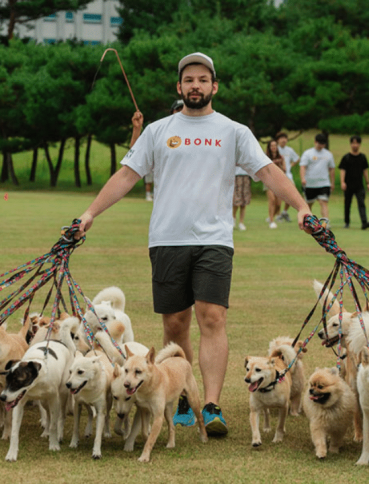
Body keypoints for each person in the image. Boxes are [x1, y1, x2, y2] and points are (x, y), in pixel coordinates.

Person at [75, 52, 311, 436]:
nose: (196, 86)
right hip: (167, 239)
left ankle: (213, 404)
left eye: (203, 79)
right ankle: (184, 394)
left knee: (213, 317)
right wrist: (89, 214)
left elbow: (268, 171)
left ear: (214, 86)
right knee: (175, 322)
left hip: (214, 240)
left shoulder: (233, 131)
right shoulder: (157, 130)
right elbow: (126, 175)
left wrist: (300, 206)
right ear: (179, 87)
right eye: (189, 80)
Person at [137, 100, 184, 202]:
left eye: (183, 109)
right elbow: (135, 154)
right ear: (172, 112)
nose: (181, 112)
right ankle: (149, 195)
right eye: (178, 109)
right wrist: (136, 129)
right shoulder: (160, 130)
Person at [299, 133, 335, 228]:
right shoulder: (308, 153)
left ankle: (325, 223)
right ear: (315, 142)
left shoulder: (328, 154)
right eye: (319, 143)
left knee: (323, 202)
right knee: (309, 204)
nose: (321, 146)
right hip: (310, 184)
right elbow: (303, 167)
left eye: (323, 144)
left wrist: (332, 182)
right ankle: (308, 221)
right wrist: (303, 178)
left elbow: (332, 168)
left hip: (324, 183)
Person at [339, 135, 369, 230]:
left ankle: (364, 222)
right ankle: (347, 222)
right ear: (350, 144)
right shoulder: (346, 157)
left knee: (361, 203)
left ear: (359, 144)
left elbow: (365, 171)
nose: (355, 145)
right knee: (347, 203)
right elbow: (342, 170)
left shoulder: (362, 157)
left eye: (357, 143)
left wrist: (368, 183)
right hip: (348, 185)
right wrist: (342, 182)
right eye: (353, 143)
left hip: (359, 185)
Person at [275, 132, 300, 222]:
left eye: (285, 138)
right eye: (282, 138)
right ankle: (275, 215)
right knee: (277, 198)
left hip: (288, 175)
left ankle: (284, 212)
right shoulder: (275, 149)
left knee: (291, 195)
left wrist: (291, 165)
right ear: (278, 140)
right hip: (276, 176)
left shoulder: (289, 150)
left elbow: (297, 158)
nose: (284, 140)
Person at [264, 139, 285, 229]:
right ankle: (272, 221)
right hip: (268, 181)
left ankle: (271, 216)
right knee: (272, 200)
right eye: (272, 146)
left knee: (278, 204)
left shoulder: (281, 157)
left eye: (275, 146)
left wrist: (279, 163)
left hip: (278, 181)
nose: (274, 147)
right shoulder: (265, 157)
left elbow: (284, 169)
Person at [233, 165, 251, 231]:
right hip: (236, 176)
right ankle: (233, 218)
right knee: (236, 201)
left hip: (246, 176)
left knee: (244, 202)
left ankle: (241, 222)